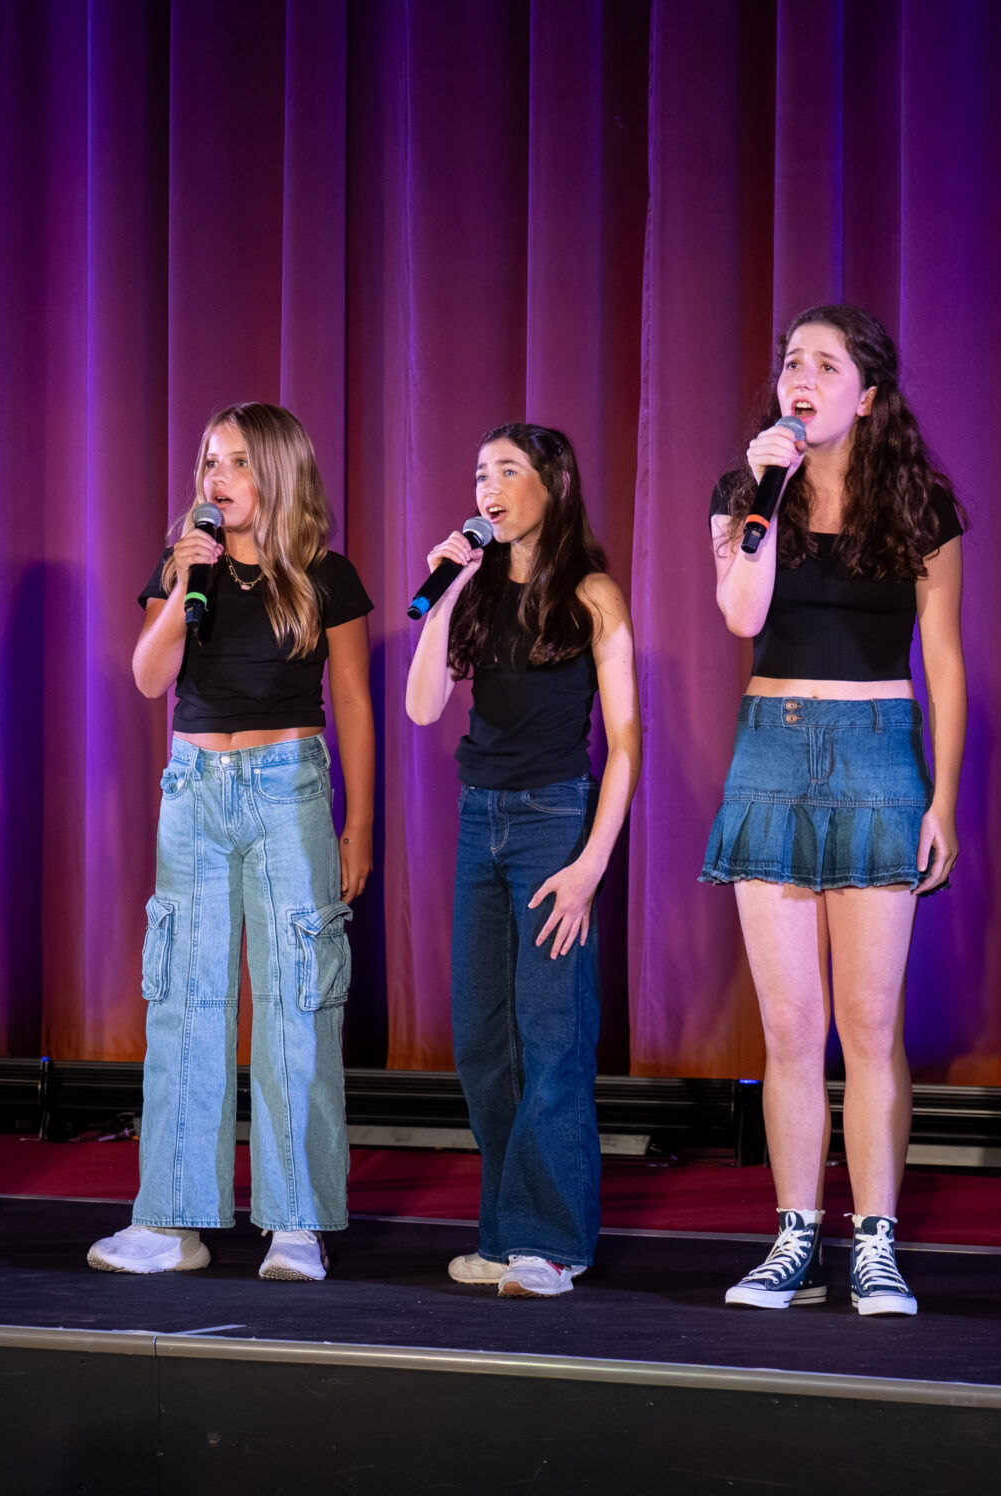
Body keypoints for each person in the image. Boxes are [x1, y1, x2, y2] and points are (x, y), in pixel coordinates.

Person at [705, 305, 966, 1315]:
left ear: (867, 394)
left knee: (866, 1019)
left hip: (876, 756)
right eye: (789, 362)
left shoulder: (918, 504)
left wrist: (943, 793)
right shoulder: (744, 491)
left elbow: (943, 659)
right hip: (770, 751)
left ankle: (875, 1242)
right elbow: (740, 614)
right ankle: (792, 1234)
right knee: (787, 1022)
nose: (799, 377)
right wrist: (760, 491)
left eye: (823, 363)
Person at [88, 402, 374, 1282]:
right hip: (195, 791)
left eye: (238, 462)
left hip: (289, 788)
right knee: (185, 1000)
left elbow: (355, 704)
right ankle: (173, 1219)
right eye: (210, 462)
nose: (217, 478)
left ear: (279, 473)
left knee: (297, 1003)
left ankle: (295, 1223)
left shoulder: (327, 575)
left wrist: (359, 823)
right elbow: (146, 677)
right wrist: (182, 586)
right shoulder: (185, 568)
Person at [403, 423, 640, 1300]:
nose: (488, 486)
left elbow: (625, 742)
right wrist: (447, 588)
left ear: (555, 482)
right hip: (480, 824)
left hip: (555, 821)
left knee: (551, 1033)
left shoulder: (592, 592)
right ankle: (507, 1235)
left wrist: (590, 865)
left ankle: (553, 1242)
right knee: (481, 1041)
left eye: (508, 469)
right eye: (479, 471)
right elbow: (424, 708)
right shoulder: (470, 588)